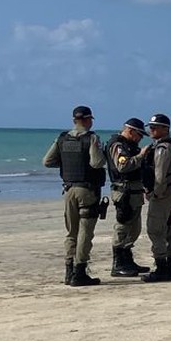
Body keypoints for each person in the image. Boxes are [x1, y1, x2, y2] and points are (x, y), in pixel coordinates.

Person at [42, 104, 106, 286]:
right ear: (88, 120)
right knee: (85, 232)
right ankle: (80, 271)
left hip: (68, 189)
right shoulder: (91, 138)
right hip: (86, 190)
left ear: (73, 120)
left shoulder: (62, 138)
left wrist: (65, 166)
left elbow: (47, 161)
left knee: (71, 232)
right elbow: (97, 163)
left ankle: (68, 271)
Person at [105, 117, 152, 277]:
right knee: (123, 226)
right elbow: (123, 166)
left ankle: (128, 259)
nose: (139, 139)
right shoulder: (117, 145)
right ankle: (118, 263)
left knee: (135, 228)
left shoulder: (130, 146)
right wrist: (141, 155)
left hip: (134, 191)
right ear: (130, 131)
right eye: (138, 135)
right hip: (123, 191)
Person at [140, 113, 171, 282]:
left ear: (165, 129)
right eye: (150, 126)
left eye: (155, 127)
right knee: (169, 227)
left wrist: (155, 193)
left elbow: (160, 175)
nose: (151, 129)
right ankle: (170, 267)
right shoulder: (169, 145)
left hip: (163, 194)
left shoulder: (162, 148)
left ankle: (162, 268)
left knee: (155, 229)